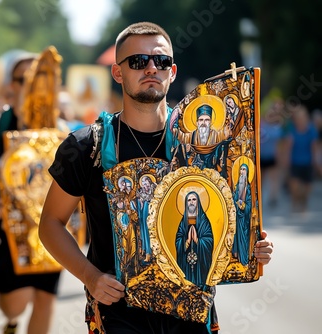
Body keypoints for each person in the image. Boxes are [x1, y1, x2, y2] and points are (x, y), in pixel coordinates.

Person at [39, 21, 274, 333]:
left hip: (191, 310)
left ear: (172, 71)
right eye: (138, 61)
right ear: (118, 73)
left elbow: (221, 220)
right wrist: (90, 276)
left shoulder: (203, 147)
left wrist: (248, 249)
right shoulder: (87, 146)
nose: (151, 68)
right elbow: (50, 225)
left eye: (161, 61)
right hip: (118, 312)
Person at [0, 52, 61, 334]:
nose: (32, 85)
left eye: (39, 78)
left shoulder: (62, 133)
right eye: (24, 79)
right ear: (11, 87)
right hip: (7, 232)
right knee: (16, 303)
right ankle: (11, 319)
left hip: (50, 229)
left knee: (45, 299)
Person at [175, 191, 213, 286]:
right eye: (189, 200)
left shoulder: (204, 220)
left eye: (194, 199)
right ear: (186, 203)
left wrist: (198, 241)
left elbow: (209, 240)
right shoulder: (183, 221)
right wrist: (186, 241)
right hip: (185, 261)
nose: (191, 202)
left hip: (200, 261)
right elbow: (177, 240)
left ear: (198, 202)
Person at [232, 164, 252, 265]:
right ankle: (236, 255)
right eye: (241, 169)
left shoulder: (248, 189)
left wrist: (244, 206)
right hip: (236, 216)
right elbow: (233, 199)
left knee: (243, 237)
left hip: (244, 218)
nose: (242, 171)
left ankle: (243, 258)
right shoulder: (236, 187)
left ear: (247, 172)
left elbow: (250, 205)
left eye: (244, 169)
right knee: (235, 235)